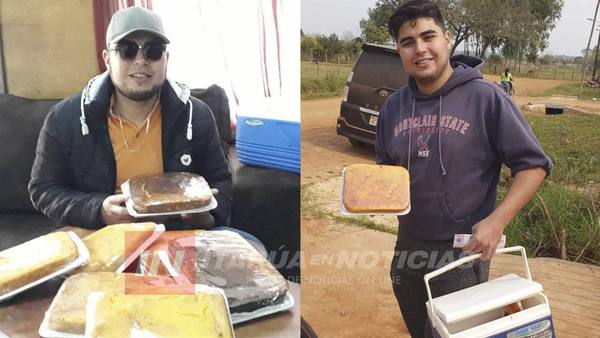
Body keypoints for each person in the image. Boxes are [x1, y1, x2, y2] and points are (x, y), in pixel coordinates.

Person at [377, 1, 553, 337]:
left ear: (447, 38)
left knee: (457, 332)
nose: (420, 49)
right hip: (408, 244)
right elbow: (386, 169)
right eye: (408, 42)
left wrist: (497, 221)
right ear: (399, 50)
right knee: (418, 326)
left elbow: (533, 166)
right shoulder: (394, 106)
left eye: (428, 37)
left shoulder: (486, 97)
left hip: (463, 250)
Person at [28, 7, 232, 231]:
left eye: (153, 51)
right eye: (127, 50)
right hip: (101, 234)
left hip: (178, 234)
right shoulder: (65, 118)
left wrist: (208, 216)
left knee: (249, 248)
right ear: (107, 58)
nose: (140, 60)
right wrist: (98, 210)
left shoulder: (196, 115)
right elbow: (43, 189)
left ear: (166, 59)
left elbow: (220, 181)